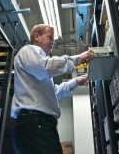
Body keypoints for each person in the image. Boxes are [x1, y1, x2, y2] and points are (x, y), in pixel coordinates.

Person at [11, 24, 95, 154]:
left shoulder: (39, 65)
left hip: (40, 123)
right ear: (37, 36)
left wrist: (76, 82)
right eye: (50, 37)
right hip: (34, 123)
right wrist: (78, 58)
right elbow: (45, 68)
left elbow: (53, 93)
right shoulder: (27, 51)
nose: (53, 42)